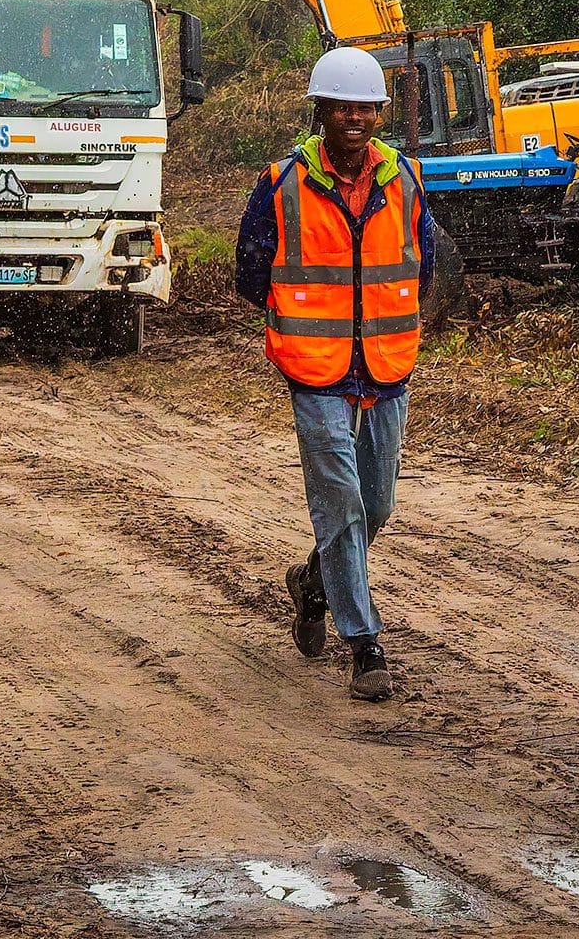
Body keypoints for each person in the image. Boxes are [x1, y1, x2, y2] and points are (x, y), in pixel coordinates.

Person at [235, 46, 437, 701]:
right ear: (320, 112)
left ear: (378, 114)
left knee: (376, 505)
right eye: (341, 107)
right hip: (316, 368)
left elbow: (422, 263)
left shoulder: (404, 178)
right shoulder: (281, 182)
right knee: (341, 502)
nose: (354, 118)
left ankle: (314, 583)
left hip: (385, 364)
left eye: (365, 108)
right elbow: (250, 273)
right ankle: (364, 642)